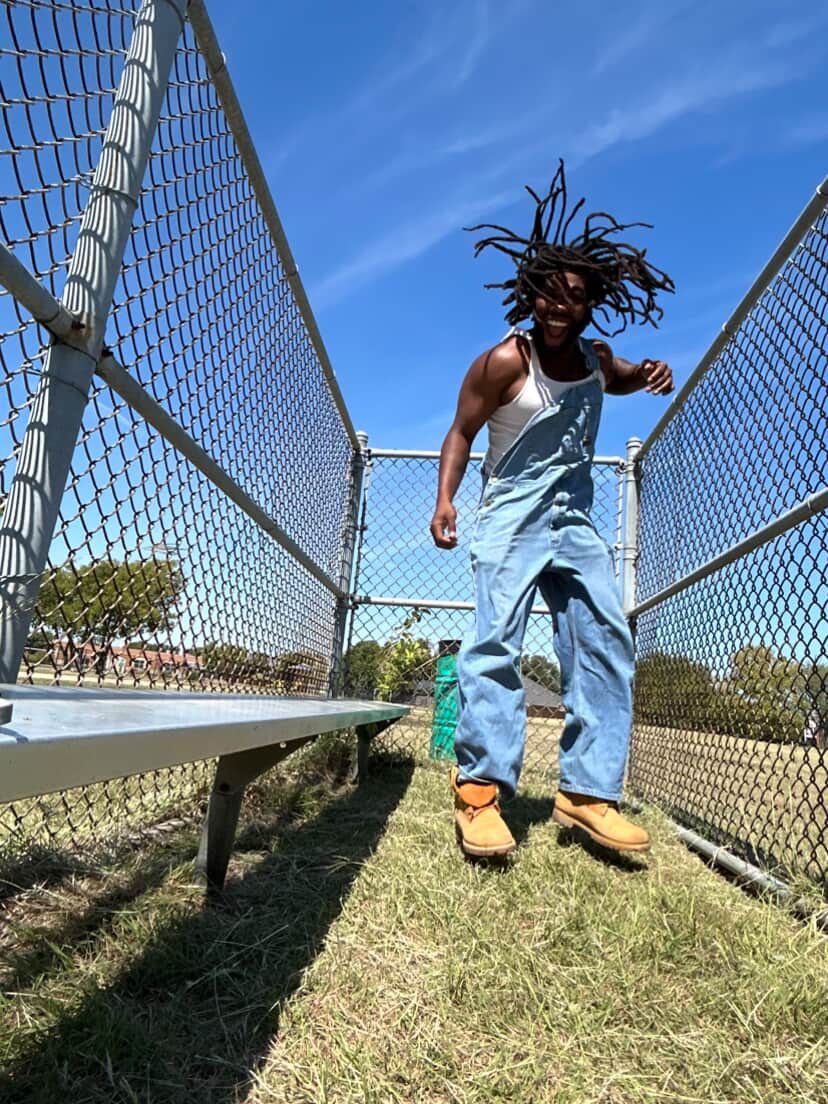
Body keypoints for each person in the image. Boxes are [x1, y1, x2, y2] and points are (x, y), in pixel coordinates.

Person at [430, 162, 675, 859]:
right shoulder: (503, 363)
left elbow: (624, 378)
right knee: (495, 642)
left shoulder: (596, 361)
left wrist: (651, 372)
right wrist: (446, 498)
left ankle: (587, 793)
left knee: (605, 637)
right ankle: (479, 792)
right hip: (511, 512)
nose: (559, 307)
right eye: (549, 294)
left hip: (575, 518)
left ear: (591, 303)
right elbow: (461, 433)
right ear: (530, 294)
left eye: (574, 296)